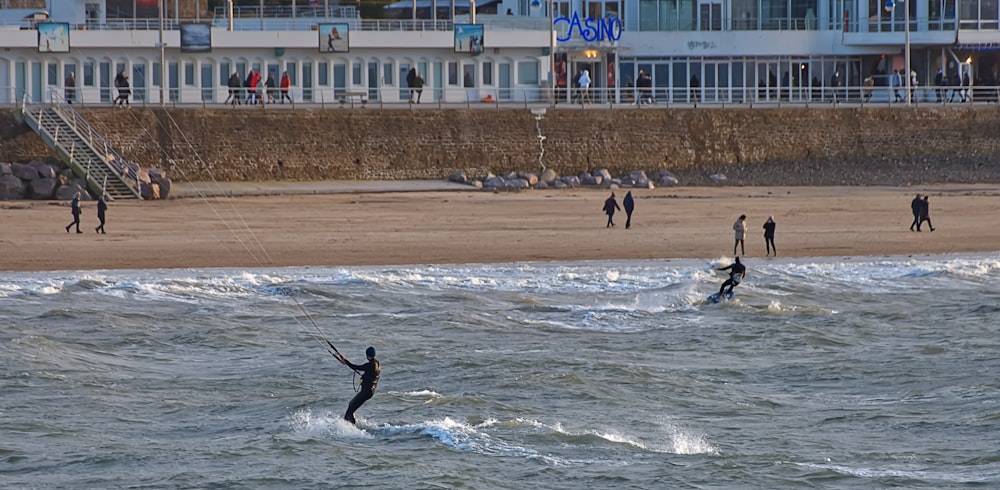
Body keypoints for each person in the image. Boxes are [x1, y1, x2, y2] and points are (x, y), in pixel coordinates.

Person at [339, 346, 380, 424]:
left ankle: (350, 428)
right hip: (369, 391)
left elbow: (357, 367)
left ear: (367, 355)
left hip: (366, 392)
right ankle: (351, 425)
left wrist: (346, 361)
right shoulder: (376, 363)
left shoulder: (370, 365)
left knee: (350, 409)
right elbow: (368, 373)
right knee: (351, 405)